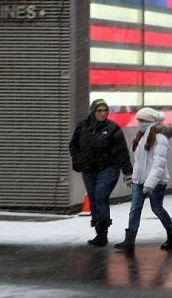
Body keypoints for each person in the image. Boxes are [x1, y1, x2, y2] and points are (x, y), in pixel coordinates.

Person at [114, 107, 172, 252]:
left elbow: (159, 164)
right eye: (139, 120)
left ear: (150, 121)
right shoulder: (142, 136)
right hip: (139, 181)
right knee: (135, 209)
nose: (139, 123)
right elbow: (139, 162)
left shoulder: (160, 138)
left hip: (155, 182)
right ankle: (129, 241)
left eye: (142, 120)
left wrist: (150, 184)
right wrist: (133, 178)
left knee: (157, 208)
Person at [70, 99, 133, 247]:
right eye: (100, 110)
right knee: (93, 198)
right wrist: (78, 161)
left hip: (109, 168)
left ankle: (103, 232)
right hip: (89, 169)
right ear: (93, 111)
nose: (103, 113)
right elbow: (73, 145)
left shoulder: (112, 128)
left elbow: (121, 151)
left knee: (100, 197)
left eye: (105, 110)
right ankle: (99, 232)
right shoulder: (83, 127)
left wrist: (127, 171)